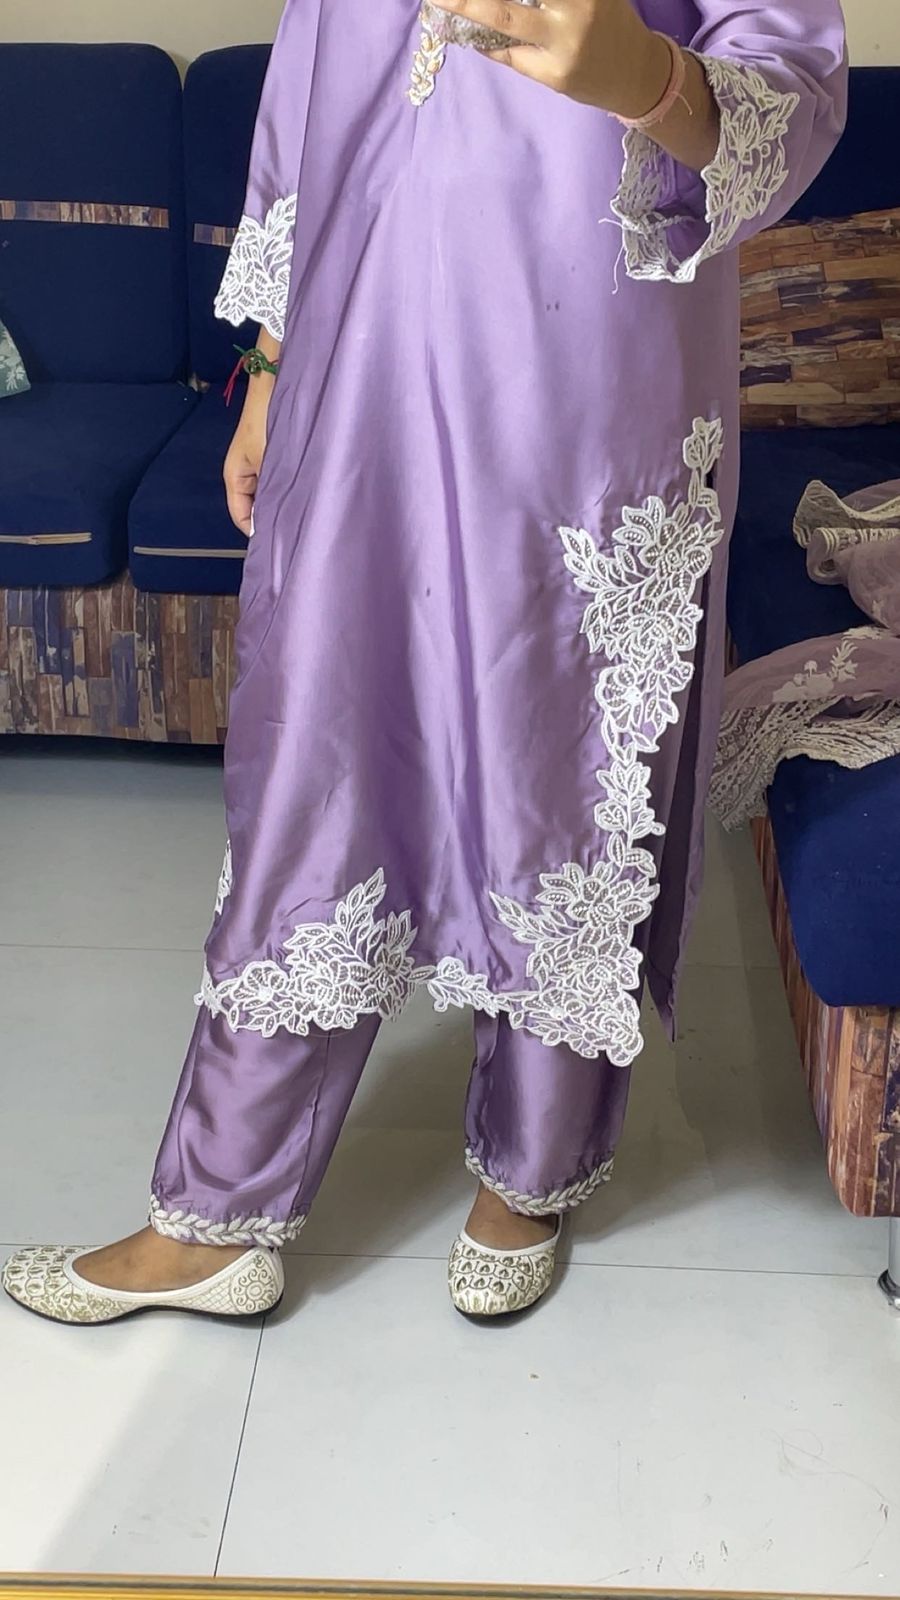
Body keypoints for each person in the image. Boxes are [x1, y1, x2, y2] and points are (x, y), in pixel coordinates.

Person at [3, 0, 847, 1325]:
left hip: (587, 360)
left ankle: (533, 1169)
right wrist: (270, 366)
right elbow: (313, 94)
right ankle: (220, 1205)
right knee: (314, 749)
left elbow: (793, 82)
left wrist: (646, 76)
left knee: (559, 752)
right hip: (365, 356)